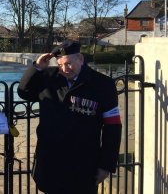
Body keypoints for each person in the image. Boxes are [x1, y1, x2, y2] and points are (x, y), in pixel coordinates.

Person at [18, 40, 122, 194]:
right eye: (60, 65)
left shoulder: (102, 84)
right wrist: (37, 67)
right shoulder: (48, 77)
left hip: (83, 164)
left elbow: (112, 127)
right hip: (50, 162)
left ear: (80, 58)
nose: (65, 69)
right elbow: (24, 92)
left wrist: (106, 165)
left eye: (68, 63)